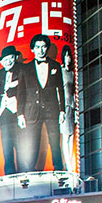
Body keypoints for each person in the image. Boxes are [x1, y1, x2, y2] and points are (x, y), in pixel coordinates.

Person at [17, 33, 66, 172]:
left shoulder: (55, 66)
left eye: (43, 47)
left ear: (47, 48)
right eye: (37, 47)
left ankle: (59, 169)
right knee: (32, 142)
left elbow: (60, 89)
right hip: (32, 111)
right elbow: (21, 93)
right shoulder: (25, 69)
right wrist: (20, 114)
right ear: (33, 49)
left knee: (55, 141)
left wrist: (62, 110)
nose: (41, 50)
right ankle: (29, 170)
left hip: (52, 110)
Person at [0, 45, 24, 175]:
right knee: (6, 147)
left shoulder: (22, 70)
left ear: (15, 58)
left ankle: (23, 171)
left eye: (11, 58)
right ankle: (9, 173)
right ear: (1, 61)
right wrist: (7, 86)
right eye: (5, 59)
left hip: (18, 112)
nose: (8, 61)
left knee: (21, 144)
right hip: (3, 114)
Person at [60, 44, 76, 172]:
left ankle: (70, 164)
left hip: (72, 105)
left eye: (69, 56)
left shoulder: (71, 73)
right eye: (66, 56)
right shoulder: (61, 71)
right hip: (63, 105)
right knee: (65, 136)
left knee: (72, 136)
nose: (68, 58)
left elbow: (74, 92)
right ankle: (68, 165)